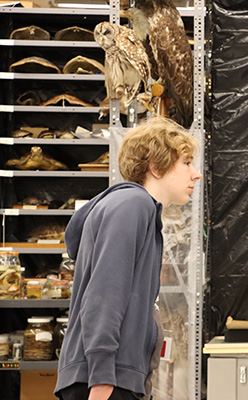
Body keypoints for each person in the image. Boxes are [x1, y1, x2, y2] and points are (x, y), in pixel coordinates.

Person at [54, 117, 202, 400]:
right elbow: (104, 294)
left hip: (115, 377)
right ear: (156, 167)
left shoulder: (138, 210)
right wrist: (102, 377)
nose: (195, 174)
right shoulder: (132, 205)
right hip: (104, 382)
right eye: (186, 163)